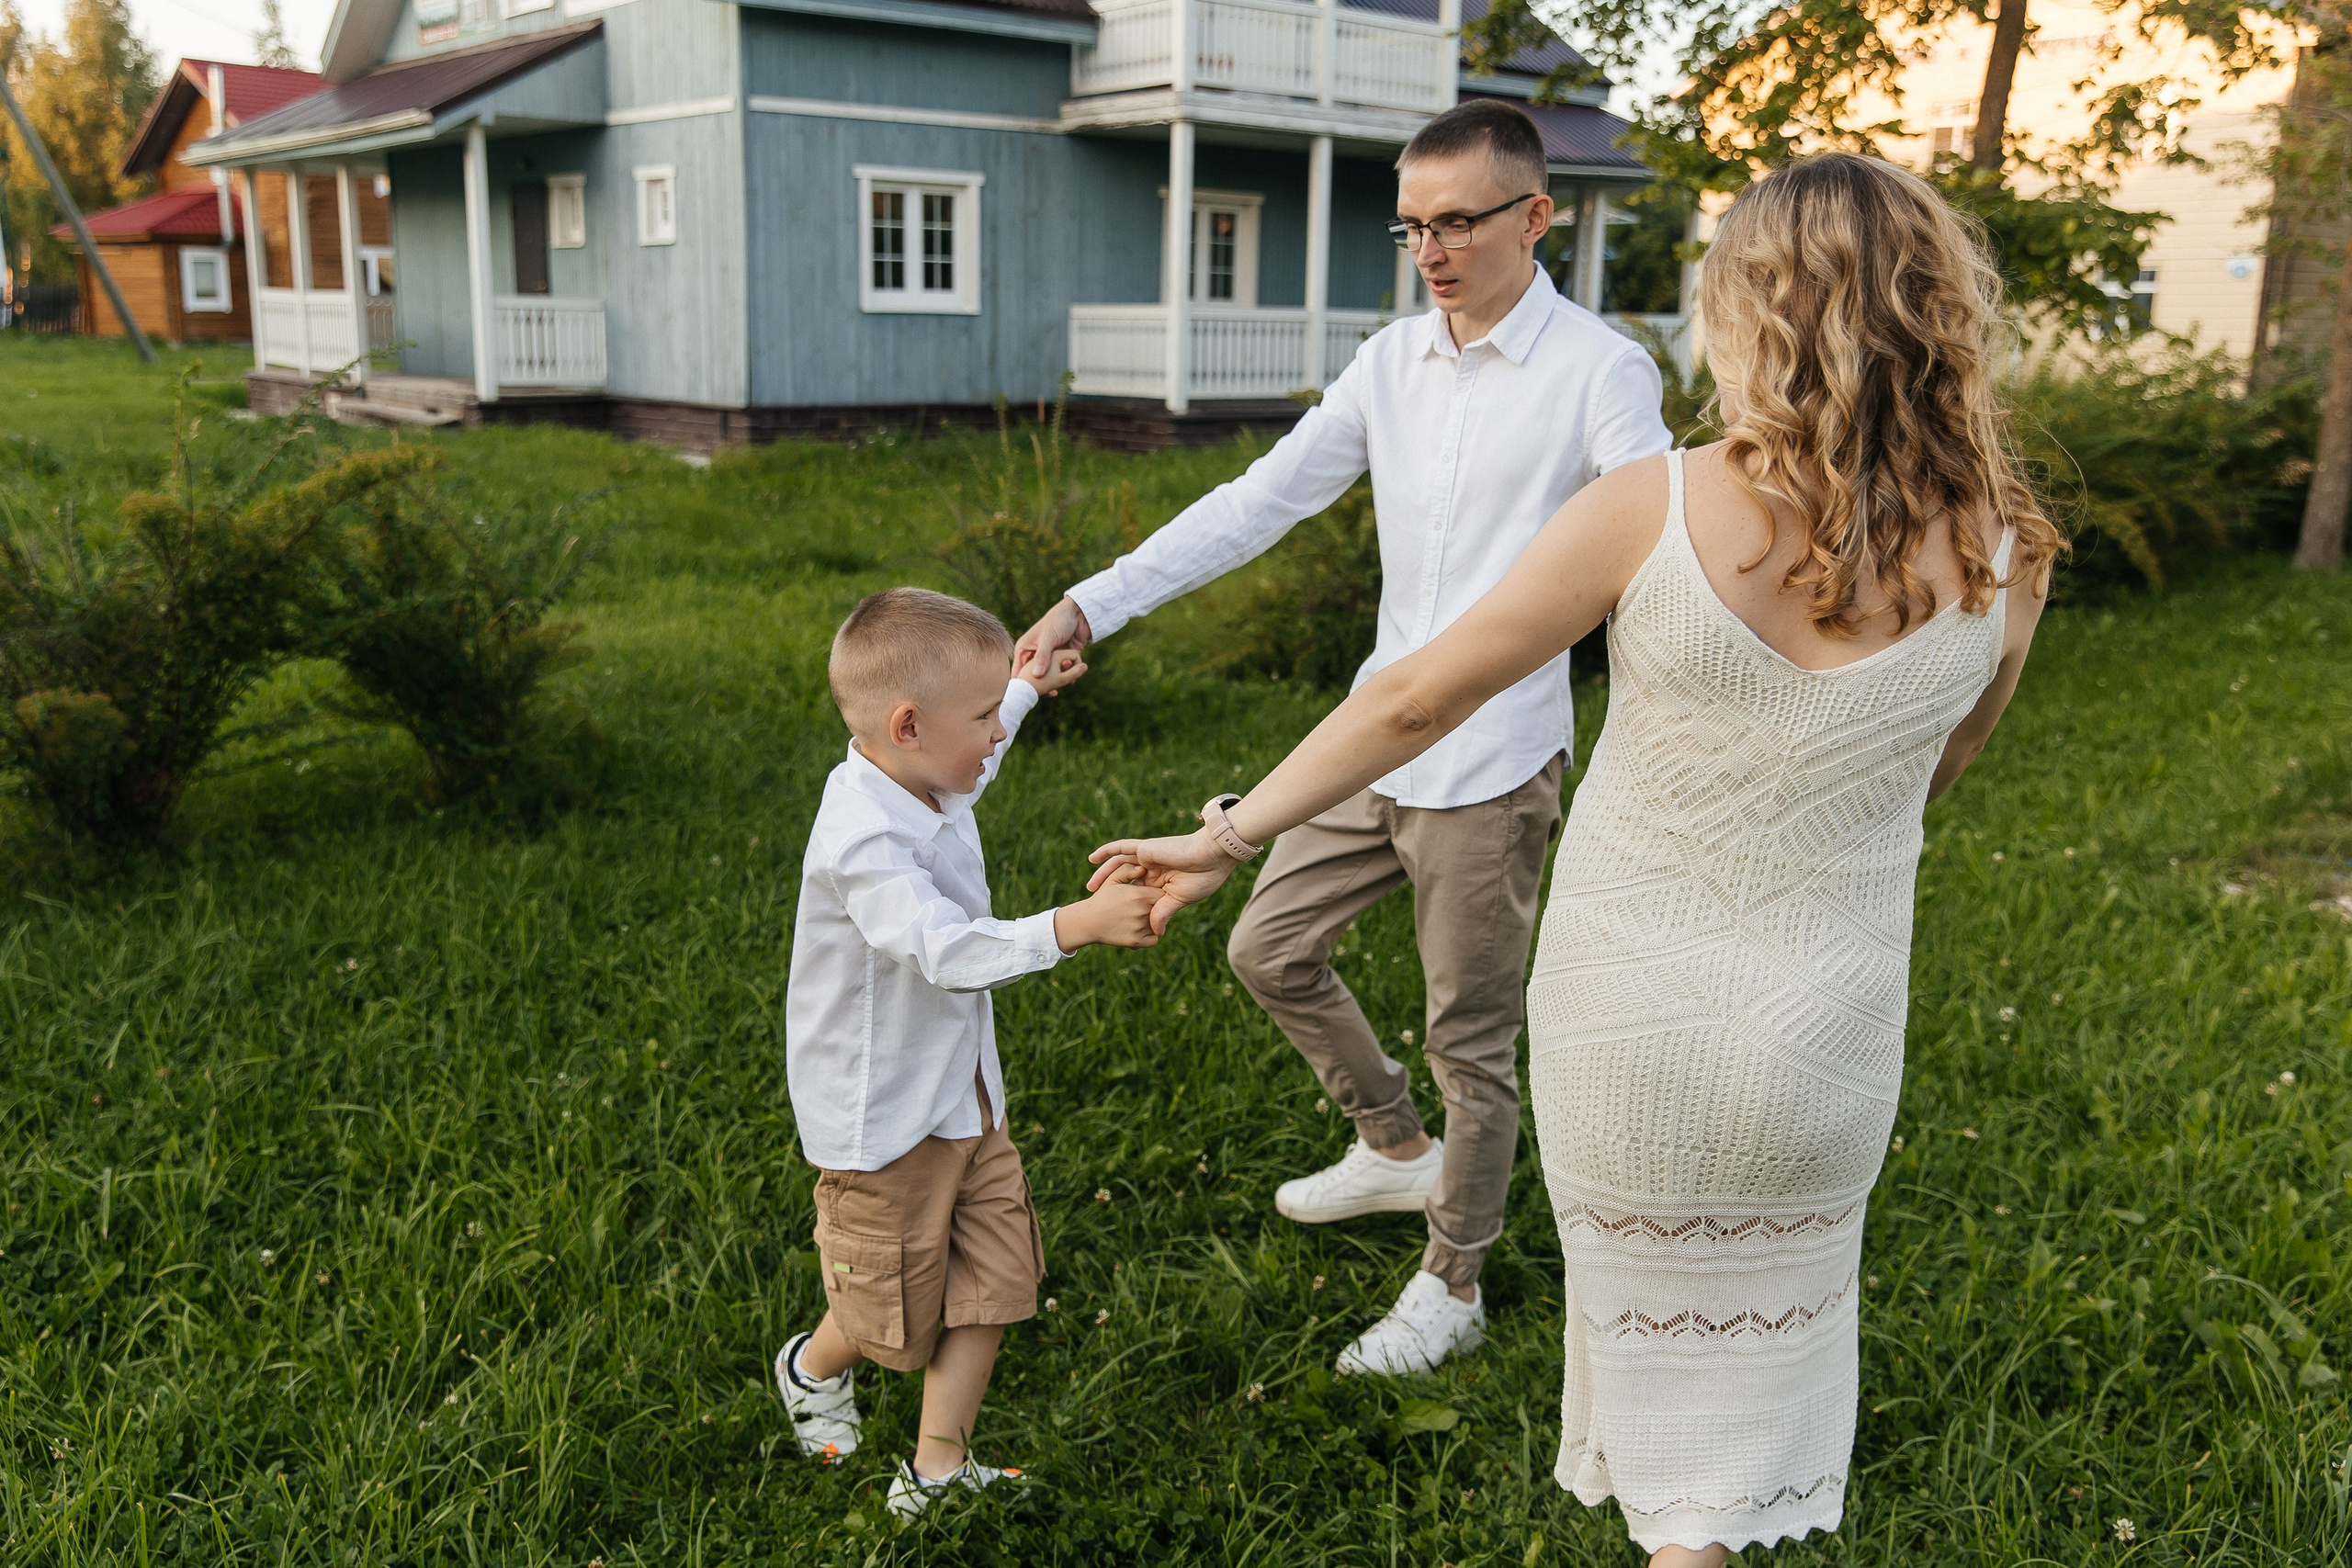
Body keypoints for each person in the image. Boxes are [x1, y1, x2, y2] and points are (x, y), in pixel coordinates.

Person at [1087, 153, 2064, 1565]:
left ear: (1749, 308)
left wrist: (1228, 835)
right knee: (1735, 1440)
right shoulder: (2011, 553)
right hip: (1833, 1030)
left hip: (1630, 1026)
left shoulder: (1652, 506)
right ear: (1941, 308)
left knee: (1670, 1458)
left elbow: (1417, 694)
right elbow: (1938, 770)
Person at [1013, 98, 1672, 1376]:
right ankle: (1391, 1148)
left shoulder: (1602, 370)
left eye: (1460, 221)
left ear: (1535, 217)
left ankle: (1456, 1278)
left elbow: (1644, 540)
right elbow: (1256, 501)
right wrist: (1098, 597)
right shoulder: (1389, 363)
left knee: (1469, 1041)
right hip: (1370, 743)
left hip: (1490, 767)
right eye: (1413, 226)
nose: (1432, 249)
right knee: (1268, 947)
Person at [774, 588, 1159, 1519]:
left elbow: (972, 754)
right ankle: (813, 1363)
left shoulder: (927, 770)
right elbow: (944, 953)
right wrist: (1075, 925)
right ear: (907, 726)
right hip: (884, 1121)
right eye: (981, 719)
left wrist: (1019, 690)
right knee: (885, 1314)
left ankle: (936, 1469)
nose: (993, 739)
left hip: (966, 1098)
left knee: (991, 1280)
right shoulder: (863, 837)